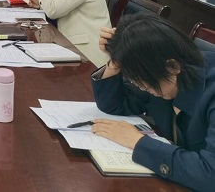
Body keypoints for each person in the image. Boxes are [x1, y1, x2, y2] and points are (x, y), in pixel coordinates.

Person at [91, 14, 215, 191]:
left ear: (172, 67)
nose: (142, 88)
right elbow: (115, 105)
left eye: (143, 83)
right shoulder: (158, 70)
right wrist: (116, 61)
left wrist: (138, 142)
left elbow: (210, 175)